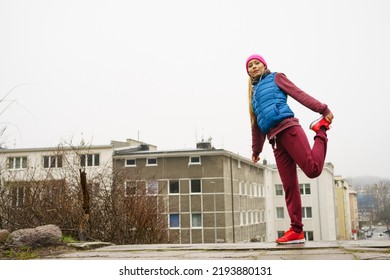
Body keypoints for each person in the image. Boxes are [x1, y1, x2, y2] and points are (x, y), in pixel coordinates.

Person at [246, 54, 334, 244]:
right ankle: (296, 230)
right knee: (289, 186)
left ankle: (321, 131)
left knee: (312, 169)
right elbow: (256, 125)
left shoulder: (276, 78)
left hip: (288, 129)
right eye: (250, 66)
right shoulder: (253, 97)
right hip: (275, 141)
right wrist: (256, 151)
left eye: (256, 63)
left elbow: (298, 94)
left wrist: (323, 110)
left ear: (264, 65)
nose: (253, 67)